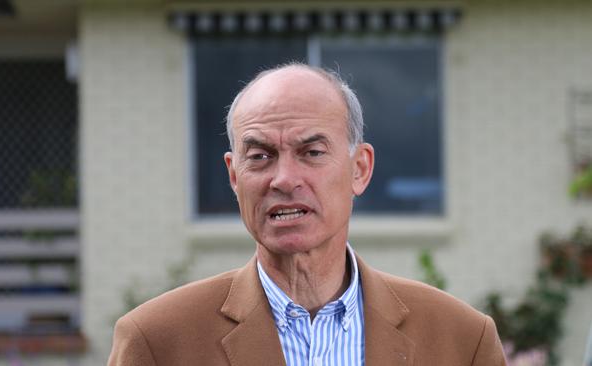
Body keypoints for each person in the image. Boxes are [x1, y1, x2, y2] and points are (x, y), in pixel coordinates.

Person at [108, 63, 507, 365]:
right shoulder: (158, 341)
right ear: (234, 175)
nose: (283, 179)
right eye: (260, 156)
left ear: (360, 169)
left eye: (312, 153)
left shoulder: (461, 340)